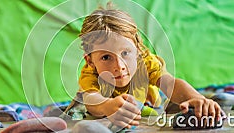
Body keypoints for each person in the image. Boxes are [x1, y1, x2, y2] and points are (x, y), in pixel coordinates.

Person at [77, 3, 223, 129]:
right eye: (106, 57)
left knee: (171, 103)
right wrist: (106, 106)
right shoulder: (90, 73)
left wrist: (197, 98)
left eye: (125, 53)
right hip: (109, 102)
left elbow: (170, 83)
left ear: (137, 50)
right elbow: (91, 99)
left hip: (150, 103)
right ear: (90, 61)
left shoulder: (145, 62)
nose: (119, 66)